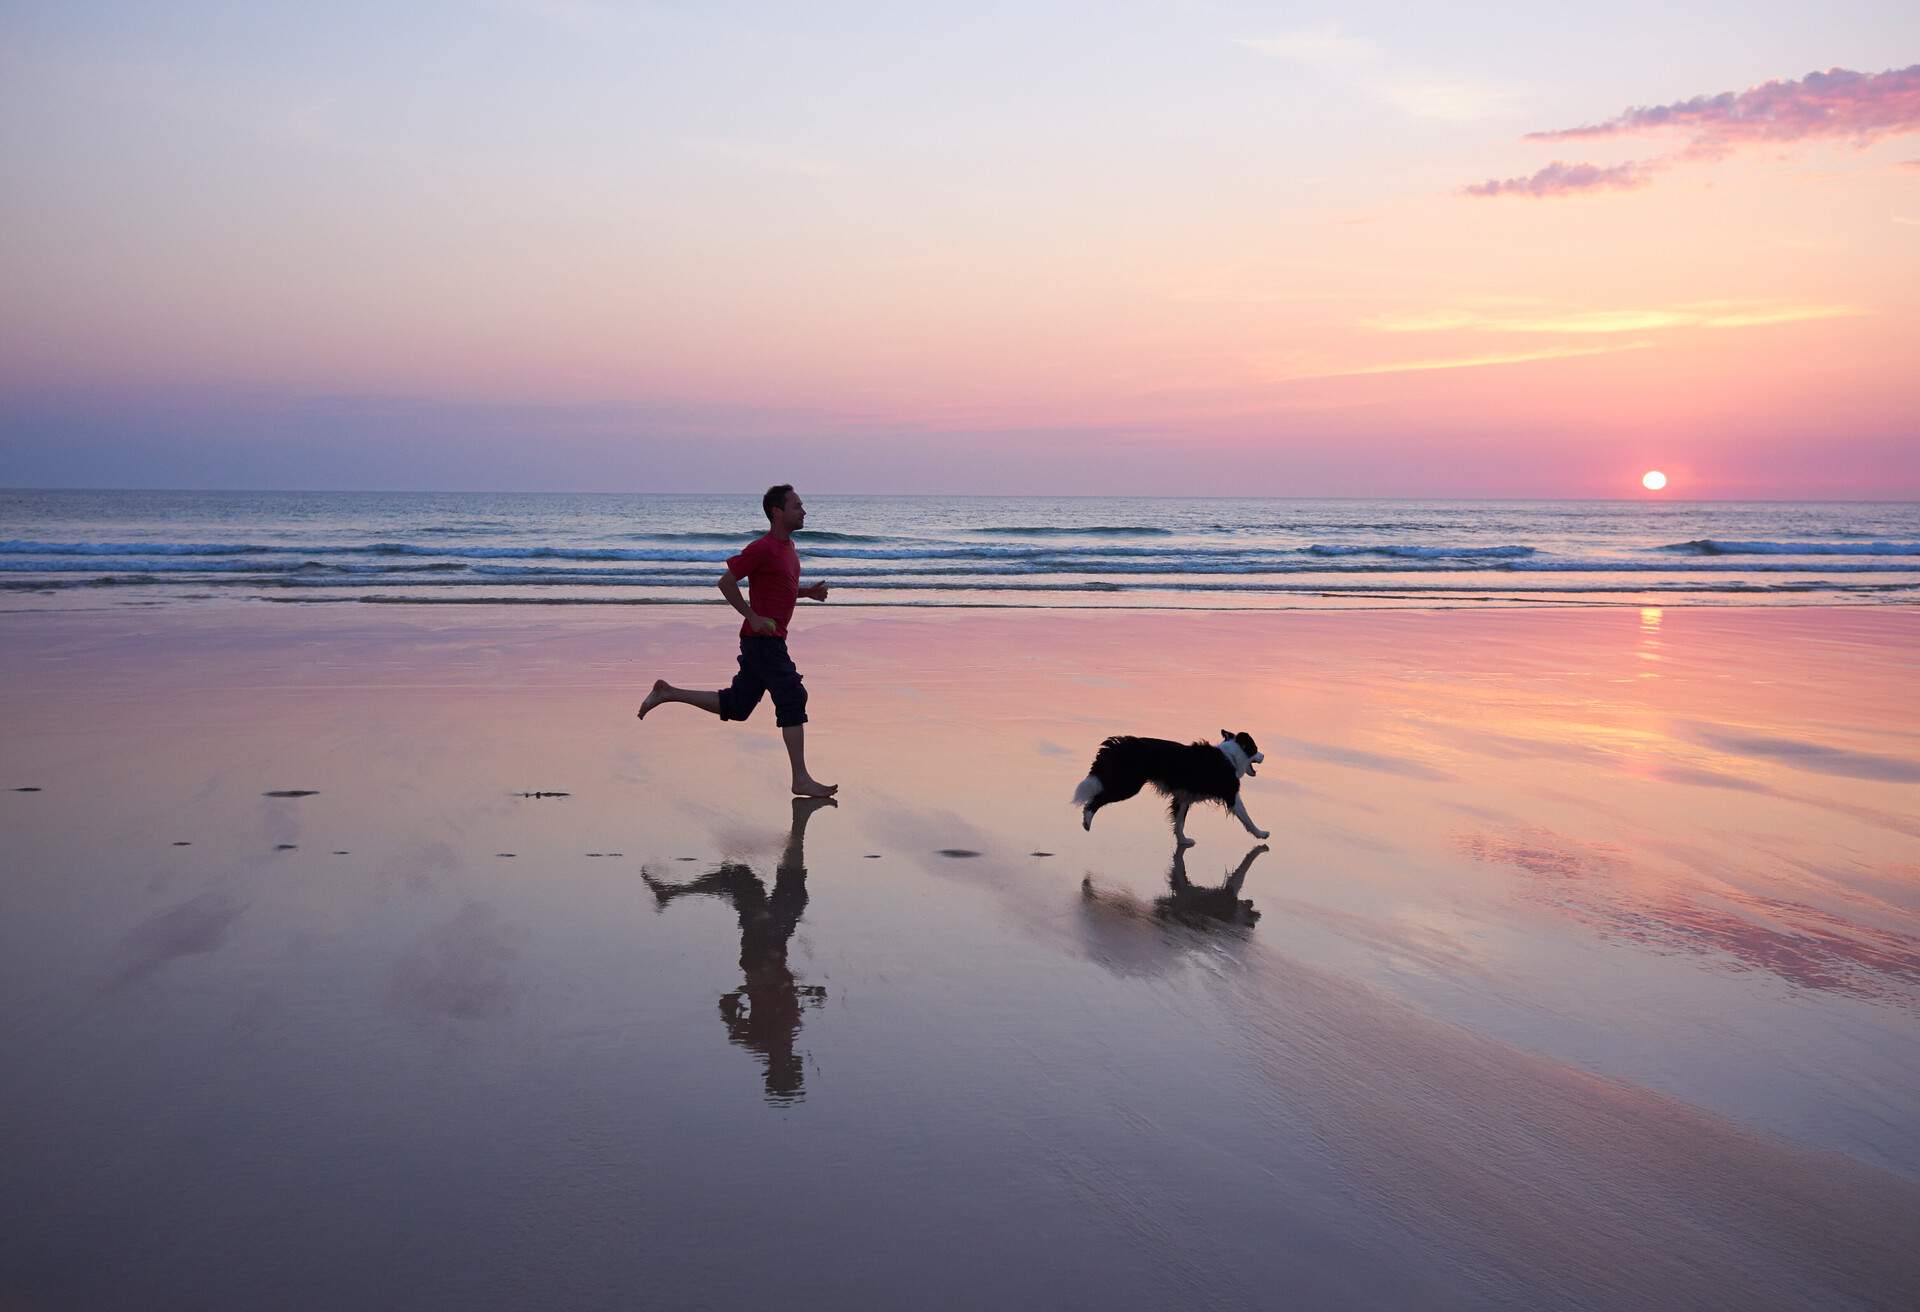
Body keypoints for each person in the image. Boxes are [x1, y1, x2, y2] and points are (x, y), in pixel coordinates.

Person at [637, 485, 837, 798]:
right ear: (777, 512)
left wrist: (806, 592)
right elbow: (726, 582)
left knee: (738, 706)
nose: (804, 511)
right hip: (763, 642)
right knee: (792, 695)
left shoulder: (788, 548)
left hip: (767, 641)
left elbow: (779, 587)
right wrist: (753, 616)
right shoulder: (763, 547)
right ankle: (800, 779)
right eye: (797, 506)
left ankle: (668, 692)